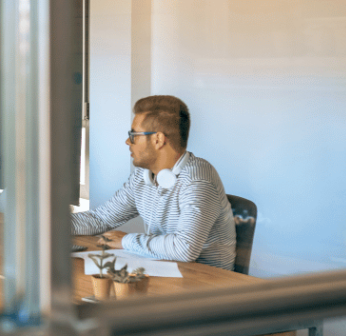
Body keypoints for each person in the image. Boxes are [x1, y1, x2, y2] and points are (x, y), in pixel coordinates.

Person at [71, 95, 236, 270]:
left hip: (209, 285)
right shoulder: (142, 177)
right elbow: (100, 219)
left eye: (133, 135)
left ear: (158, 139)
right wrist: (47, 224)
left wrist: (126, 241)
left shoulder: (198, 180)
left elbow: (184, 249)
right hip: (166, 271)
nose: (128, 142)